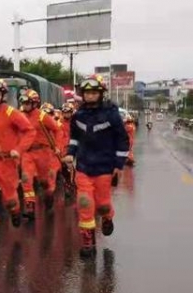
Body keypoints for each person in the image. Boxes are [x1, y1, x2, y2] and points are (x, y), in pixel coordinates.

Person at [64, 75, 130, 258]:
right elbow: (74, 138)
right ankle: (88, 243)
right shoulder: (78, 116)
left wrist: (118, 165)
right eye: (87, 93)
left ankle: (107, 217)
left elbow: (122, 140)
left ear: (100, 93)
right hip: (84, 167)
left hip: (105, 168)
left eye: (94, 92)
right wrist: (70, 153)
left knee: (102, 205)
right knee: (84, 203)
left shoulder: (111, 114)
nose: (90, 96)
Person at [0, 77, 35, 231]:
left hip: (7, 162)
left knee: (10, 199)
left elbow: (29, 131)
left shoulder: (12, 112)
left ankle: (15, 211)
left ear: (3, 95)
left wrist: (19, 149)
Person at [19, 90, 62, 219]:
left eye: (27, 103)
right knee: (26, 178)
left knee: (44, 182)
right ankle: (30, 205)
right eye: (23, 103)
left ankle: (49, 195)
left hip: (43, 152)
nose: (25, 105)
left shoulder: (42, 116)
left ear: (35, 103)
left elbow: (57, 130)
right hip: (27, 153)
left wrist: (58, 147)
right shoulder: (20, 116)